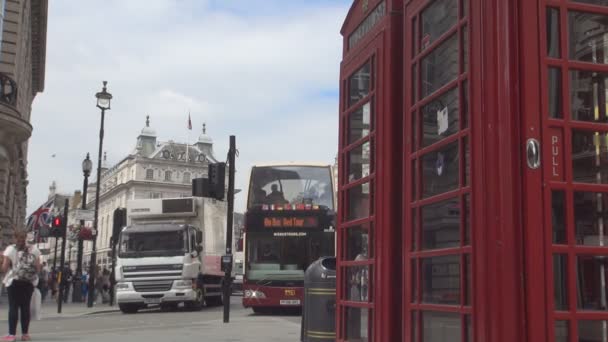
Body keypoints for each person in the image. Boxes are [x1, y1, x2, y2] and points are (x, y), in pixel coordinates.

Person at [1, 230, 41, 342]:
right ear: (26, 238)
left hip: (13, 281)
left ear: (15, 238)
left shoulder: (10, 249)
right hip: (28, 282)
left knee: (13, 307)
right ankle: (25, 334)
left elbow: (4, 268)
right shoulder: (34, 250)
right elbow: (38, 268)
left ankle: (11, 335)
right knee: (25, 307)